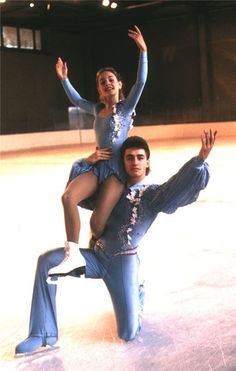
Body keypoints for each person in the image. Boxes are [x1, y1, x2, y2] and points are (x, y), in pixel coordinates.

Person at [15, 130, 217, 355]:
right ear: (122, 162)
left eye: (140, 157)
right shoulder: (111, 190)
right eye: (129, 158)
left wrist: (199, 161)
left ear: (147, 161)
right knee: (47, 262)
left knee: (128, 334)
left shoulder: (152, 195)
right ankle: (42, 332)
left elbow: (176, 187)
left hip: (122, 265)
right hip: (94, 257)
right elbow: (77, 194)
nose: (135, 162)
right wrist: (85, 161)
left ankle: (136, 295)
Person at [48, 26, 148, 276]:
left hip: (115, 173)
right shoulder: (96, 110)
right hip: (96, 167)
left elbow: (142, 81)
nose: (106, 83)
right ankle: (72, 254)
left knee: (97, 225)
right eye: (102, 82)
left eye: (110, 80)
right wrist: (64, 80)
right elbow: (76, 100)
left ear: (119, 84)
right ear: (100, 90)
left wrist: (143, 51)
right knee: (68, 197)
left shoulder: (125, 109)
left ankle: (113, 255)